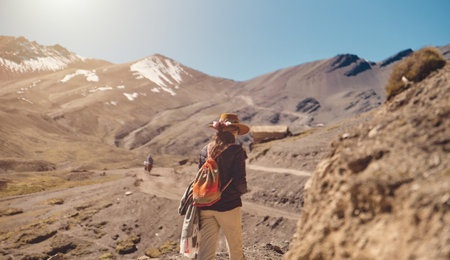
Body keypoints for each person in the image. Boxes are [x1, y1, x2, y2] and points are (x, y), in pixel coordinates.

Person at [197, 113, 249, 260]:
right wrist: (242, 191)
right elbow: (240, 180)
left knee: (206, 252)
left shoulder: (204, 150)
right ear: (234, 131)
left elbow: (199, 178)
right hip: (228, 206)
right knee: (235, 249)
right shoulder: (237, 151)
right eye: (236, 130)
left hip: (205, 205)